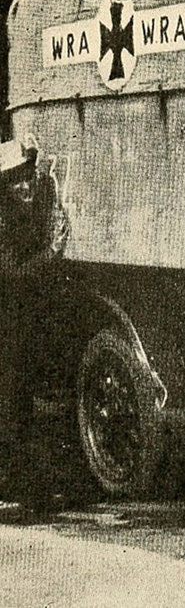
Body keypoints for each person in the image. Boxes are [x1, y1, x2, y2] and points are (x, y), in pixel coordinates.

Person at [0, 136, 69, 511]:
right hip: (7, 322)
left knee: (21, 402)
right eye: (15, 181)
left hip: (19, 321)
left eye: (27, 178)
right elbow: (12, 274)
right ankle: (18, 487)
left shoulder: (22, 212)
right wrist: (51, 254)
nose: (24, 187)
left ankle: (26, 485)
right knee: (12, 404)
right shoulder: (1, 221)